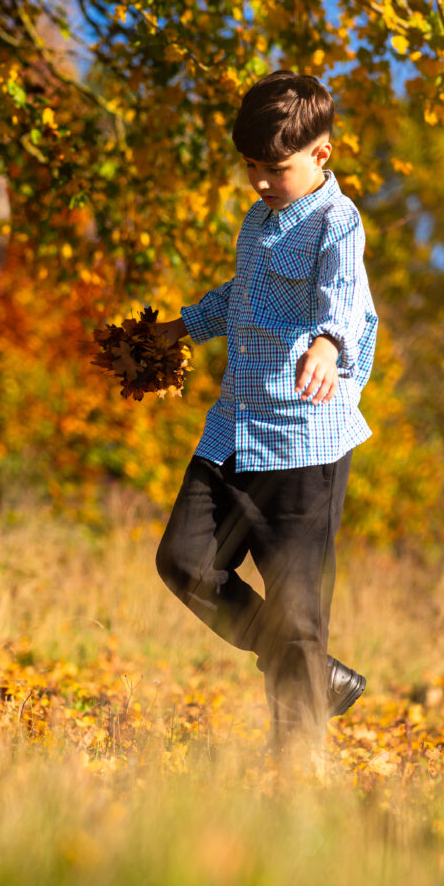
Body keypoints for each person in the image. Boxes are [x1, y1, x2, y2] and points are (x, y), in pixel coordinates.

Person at [155, 69, 378, 759]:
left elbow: (341, 300)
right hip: (234, 430)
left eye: (273, 168)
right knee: (183, 559)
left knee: (297, 613)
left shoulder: (338, 225)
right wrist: (182, 327)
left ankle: (298, 774)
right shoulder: (259, 219)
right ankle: (313, 677)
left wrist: (324, 344)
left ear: (321, 155)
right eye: (250, 166)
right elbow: (241, 296)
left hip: (304, 445)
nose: (258, 181)